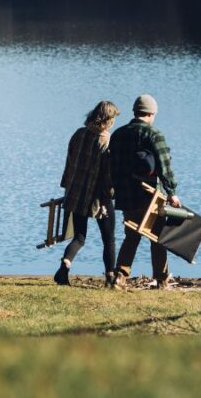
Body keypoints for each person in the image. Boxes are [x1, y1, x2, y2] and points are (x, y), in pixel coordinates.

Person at [109, 94, 180, 290]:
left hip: (125, 195)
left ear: (135, 112)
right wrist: (172, 191)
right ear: (152, 113)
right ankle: (162, 280)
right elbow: (165, 166)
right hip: (149, 196)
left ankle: (120, 277)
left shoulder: (118, 134)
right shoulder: (153, 135)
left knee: (131, 235)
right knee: (157, 237)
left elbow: (111, 167)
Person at [54, 100, 120, 287]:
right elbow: (107, 176)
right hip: (97, 198)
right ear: (108, 120)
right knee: (109, 239)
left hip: (75, 193)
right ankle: (110, 277)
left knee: (79, 237)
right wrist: (111, 196)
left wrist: (67, 186)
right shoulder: (105, 142)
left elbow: (69, 162)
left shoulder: (79, 134)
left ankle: (64, 267)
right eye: (113, 119)